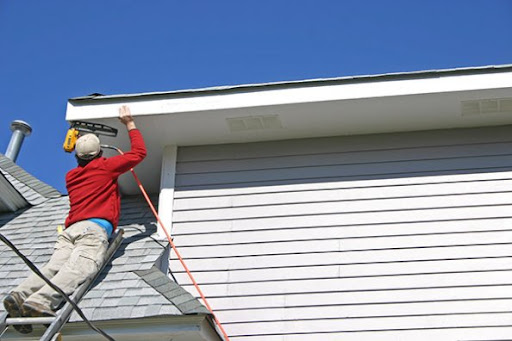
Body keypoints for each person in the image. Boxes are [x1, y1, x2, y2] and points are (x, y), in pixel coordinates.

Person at [3, 105, 146, 334]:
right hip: (92, 230)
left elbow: (87, 162)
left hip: (70, 231)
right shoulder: (106, 167)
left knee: (53, 267)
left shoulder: (72, 176)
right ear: (100, 153)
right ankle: (41, 301)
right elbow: (139, 153)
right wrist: (129, 123)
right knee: (79, 268)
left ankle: (21, 293)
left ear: (78, 156)